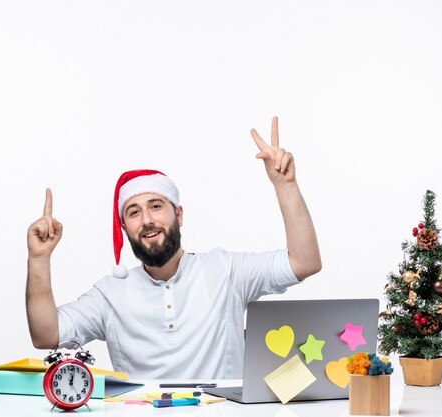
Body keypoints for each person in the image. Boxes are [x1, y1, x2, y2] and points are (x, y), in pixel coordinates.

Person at [26, 116, 321, 379]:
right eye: (134, 212)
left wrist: (286, 185)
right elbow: (45, 334)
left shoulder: (226, 271)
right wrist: (39, 259)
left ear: (178, 214)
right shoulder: (109, 294)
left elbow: (304, 262)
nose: (147, 220)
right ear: (124, 228)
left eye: (156, 206)